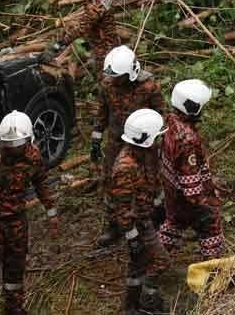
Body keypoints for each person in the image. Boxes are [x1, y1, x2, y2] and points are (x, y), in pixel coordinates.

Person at [0, 111, 59, 314]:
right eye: (10, 145)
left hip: (16, 221)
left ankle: (14, 308)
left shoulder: (34, 156)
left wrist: (51, 211)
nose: (13, 149)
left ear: (28, 139)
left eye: (18, 145)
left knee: (15, 265)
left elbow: (41, 183)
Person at [91, 45, 164, 246]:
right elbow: (101, 112)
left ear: (130, 73)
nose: (114, 79)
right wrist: (96, 138)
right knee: (110, 181)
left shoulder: (149, 87)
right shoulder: (107, 84)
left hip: (144, 143)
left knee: (151, 180)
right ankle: (113, 224)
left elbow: (160, 115)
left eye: (118, 76)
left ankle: (154, 220)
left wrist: (157, 138)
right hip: (115, 141)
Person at [111, 109, 170, 315]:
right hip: (137, 224)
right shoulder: (125, 168)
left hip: (145, 216)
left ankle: (131, 307)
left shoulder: (144, 154)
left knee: (137, 265)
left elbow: (151, 181)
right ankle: (148, 301)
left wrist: (158, 203)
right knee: (161, 262)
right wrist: (132, 237)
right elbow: (122, 207)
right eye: (156, 137)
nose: (159, 141)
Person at [158, 79, 225, 259]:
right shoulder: (187, 140)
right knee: (211, 225)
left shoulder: (170, 121)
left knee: (174, 222)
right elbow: (190, 181)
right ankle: (212, 268)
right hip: (185, 193)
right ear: (193, 108)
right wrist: (204, 202)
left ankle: (153, 261)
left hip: (170, 185)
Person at [59, 0, 121, 72]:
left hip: (104, 49)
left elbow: (81, 29)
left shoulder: (95, 6)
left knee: (106, 79)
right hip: (112, 40)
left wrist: (61, 43)